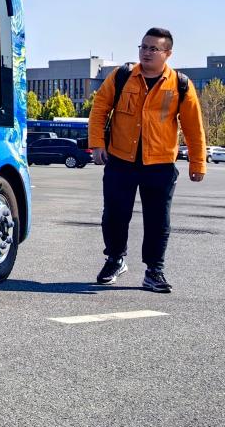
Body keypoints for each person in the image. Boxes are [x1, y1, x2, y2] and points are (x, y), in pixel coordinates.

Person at [87, 27, 206, 293]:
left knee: (158, 220)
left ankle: (154, 271)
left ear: (168, 53)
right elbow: (100, 109)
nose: (147, 52)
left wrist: (198, 163)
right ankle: (115, 259)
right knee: (114, 215)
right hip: (121, 160)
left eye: (154, 48)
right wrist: (97, 144)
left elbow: (193, 127)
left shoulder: (180, 84)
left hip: (160, 164)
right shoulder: (122, 76)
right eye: (143, 47)